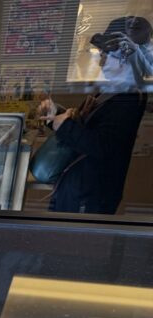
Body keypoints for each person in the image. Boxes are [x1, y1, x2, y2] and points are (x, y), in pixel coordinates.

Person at [41, 16, 151, 215]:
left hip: (90, 195)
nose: (101, 62)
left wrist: (64, 126)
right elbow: (87, 130)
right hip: (77, 187)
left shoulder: (129, 98)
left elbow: (103, 146)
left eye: (106, 54)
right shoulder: (110, 91)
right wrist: (55, 115)